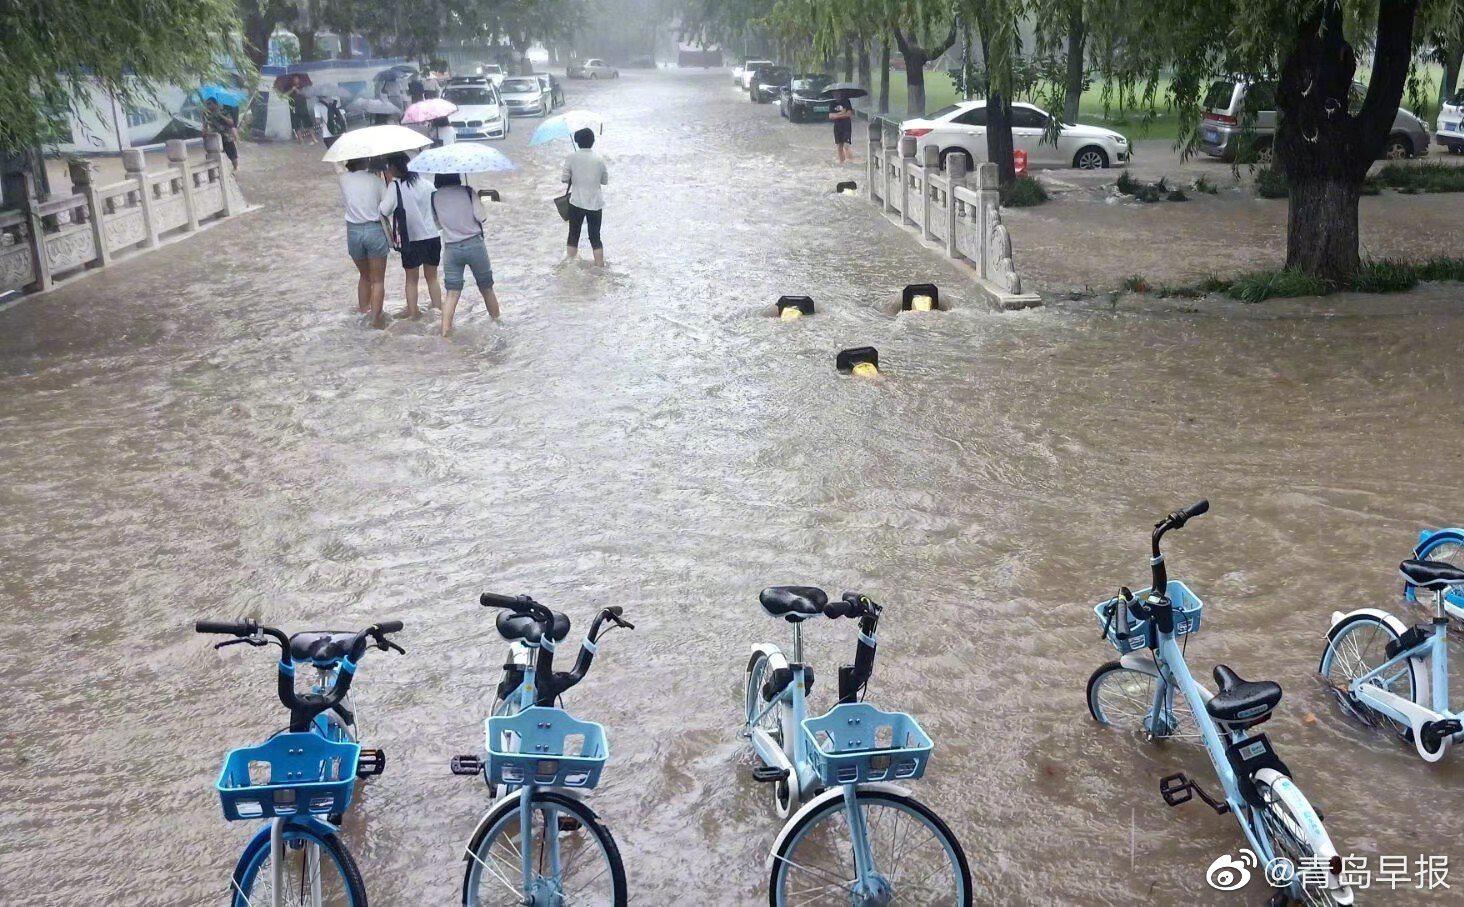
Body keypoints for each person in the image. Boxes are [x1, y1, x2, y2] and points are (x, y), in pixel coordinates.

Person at [433, 173, 500, 337]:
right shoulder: (468, 192)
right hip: (474, 245)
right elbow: (482, 217)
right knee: (486, 288)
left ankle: (445, 333)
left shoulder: (434, 197)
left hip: (451, 249)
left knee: (452, 293)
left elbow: (438, 225)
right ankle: (497, 324)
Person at [379, 153, 443, 320]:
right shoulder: (427, 184)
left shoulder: (396, 186)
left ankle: (413, 314)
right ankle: (438, 311)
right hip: (432, 237)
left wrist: (388, 183)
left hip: (410, 239)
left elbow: (384, 210)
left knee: (411, 279)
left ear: (394, 168)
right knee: (432, 278)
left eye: (388, 167)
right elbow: (437, 210)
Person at [339, 158, 389, 329]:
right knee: (378, 281)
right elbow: (387, 207)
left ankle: (363, 314)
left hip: (353, 232)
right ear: (366, 160)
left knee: (365, 276)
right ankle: (375, 321)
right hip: (374, 230)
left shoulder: (343, 179)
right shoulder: (376, 181)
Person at [561, 127, 609, 266]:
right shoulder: (599, 159)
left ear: (577, 142)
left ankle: (570, 267)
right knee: (595, 237)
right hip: (595, 203)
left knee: (573, 234)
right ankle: (599, 266)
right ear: (592, 141)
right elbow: (604, 181)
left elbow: (564, 179)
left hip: (576, 202)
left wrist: (574, 175)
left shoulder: (571, 158)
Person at [202, 99, 239, 171]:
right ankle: (220, 170)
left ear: (215, 104)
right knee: (214, 155)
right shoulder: (207, 114)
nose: (208, 106)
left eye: (210, 104)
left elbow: (231, 122)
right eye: (207, 104)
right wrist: (204, 134)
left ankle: (235, 168)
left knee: (232, 155)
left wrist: (220, 115)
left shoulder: (223, 111)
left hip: (226, 136)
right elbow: (205, 125)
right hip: (214, 137)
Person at [287, 75, 315, 144]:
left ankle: (313, 138)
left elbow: (308, 96)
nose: (295, 80)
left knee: (308, 122)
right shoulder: (289, 86)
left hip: (303, 106)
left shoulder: (303, 86)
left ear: (299, 79)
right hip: (293, 107)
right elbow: (285, 95)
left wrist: (298, 90)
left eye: (297, 78)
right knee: (296, 123)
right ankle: (300, 139)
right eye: (294, 78)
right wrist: (292, 89)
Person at [830, 92, 855, 164]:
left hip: (846, 125)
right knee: (839, 146)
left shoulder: (846, 102)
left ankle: (850, 161)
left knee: (846, 145)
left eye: (837, 94)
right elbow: (830, 116)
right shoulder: (832, 103)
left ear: (840, 94)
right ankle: (842, 162)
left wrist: (836, 115)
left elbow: (849, 114)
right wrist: (842, 113)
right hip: (837, 126)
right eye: (834, 94)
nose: (836, 95)